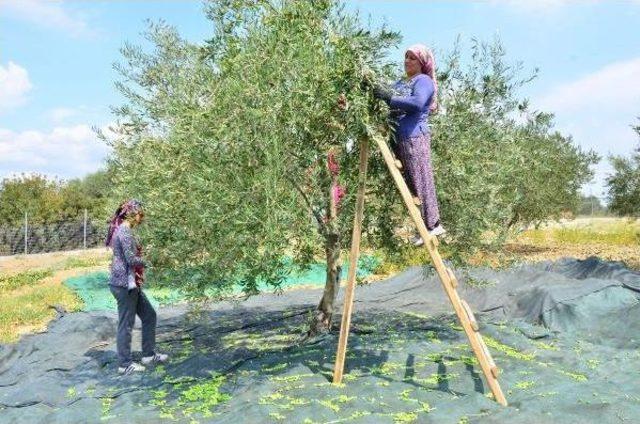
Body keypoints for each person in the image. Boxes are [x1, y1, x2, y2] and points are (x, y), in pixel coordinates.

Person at [373, 44, 446, 245]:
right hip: (400, 139)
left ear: (422, 62)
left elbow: (417, 103)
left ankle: (432, 225)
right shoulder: (401, 83)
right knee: (411, 185)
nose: (407, 61)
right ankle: (423, 227)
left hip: (414, 137)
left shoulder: (423, 81)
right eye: (405, 57)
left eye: (412, 58)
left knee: (421, 179)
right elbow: (386, 96)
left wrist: (389, 98)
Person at [105, 199, 168, 375]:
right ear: (133, 214)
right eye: (141, 215)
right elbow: (131, 259)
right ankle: (124, 365)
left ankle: (148, 354)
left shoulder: (126, 231)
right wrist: (152, 259)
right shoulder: (124, 232)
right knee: (126, 324)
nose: (142, 219)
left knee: (149, 315)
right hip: (123, 284)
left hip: (130, 283)